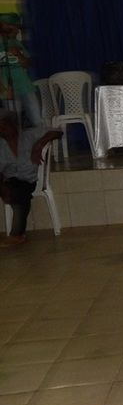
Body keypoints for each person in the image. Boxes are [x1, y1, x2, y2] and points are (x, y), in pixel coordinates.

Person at [0, 110, 61, 245]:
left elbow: (58, 131)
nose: (2, 130)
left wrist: (39, 144)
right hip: (9, 181)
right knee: (15, 189)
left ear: (14, 125)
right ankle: (18, 234)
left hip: (29, 179)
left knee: (19, 192)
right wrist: (2, 187)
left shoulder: (30, 135)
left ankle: (17, 234)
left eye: (5, 125)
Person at [0, 14, 42, 127]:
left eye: (16, 27)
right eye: (12, 26)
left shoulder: (16, 43)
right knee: (14, 124)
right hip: (7, 90)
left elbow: (27, 64)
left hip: (25, 87)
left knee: (37, 119)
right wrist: (2, 89)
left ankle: (43, 143)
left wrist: (18, 54)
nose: (16, 29)